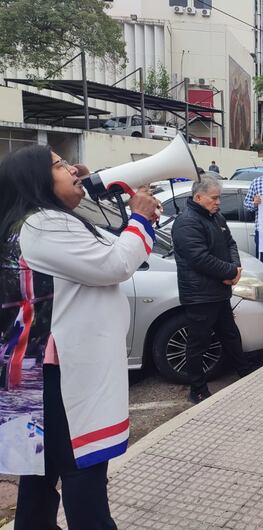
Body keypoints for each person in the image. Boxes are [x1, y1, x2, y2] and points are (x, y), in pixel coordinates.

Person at [0, 147, 160, 529]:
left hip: (34, 365)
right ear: (38, 181)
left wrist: (90, 189)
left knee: (41, 472)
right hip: (61, 374)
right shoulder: (43, 225)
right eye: (59, 165)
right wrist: (139, 215)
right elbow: (114, 263)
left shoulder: (33, 221)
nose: (73, 169)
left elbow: (101, 247)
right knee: (81, 469)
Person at [172, 176, 253, 403]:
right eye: (214, 198)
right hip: (199, 295)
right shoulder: (187, 222)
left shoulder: (214, 216)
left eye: (219, 198)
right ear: (198, 197)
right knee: (198, 343)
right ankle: (197, 389)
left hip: (218, 291)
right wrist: (229, 272)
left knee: (230, 334)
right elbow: (199, 258)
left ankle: (245, 371)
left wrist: (235, 268)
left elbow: (230, 244)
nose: (218, 202)